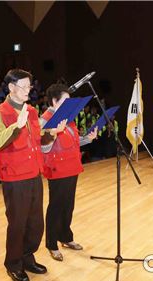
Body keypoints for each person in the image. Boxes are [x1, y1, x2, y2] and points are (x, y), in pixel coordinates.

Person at [0, 69, 59, 281]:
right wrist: (16, 126)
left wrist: (52, 133)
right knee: (18, 223)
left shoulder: (31, 110)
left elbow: (36, 139)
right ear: (11, 88)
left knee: (36, 223)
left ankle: (27, 256)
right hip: (14, 178)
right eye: (24, 86)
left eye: (30, 86)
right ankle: (13, 263)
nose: (29, 90)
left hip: (34, 173)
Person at [41, 82, 98, 261]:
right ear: (54, 101)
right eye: (66, 100)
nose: (70, 103)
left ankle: (65, 237)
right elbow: (43, 147)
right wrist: (54, 133)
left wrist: (88, 139)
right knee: (56, 208)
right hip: (57, 169)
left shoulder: (68, 118)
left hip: (72, 167)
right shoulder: (45, 119)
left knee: (68, 206)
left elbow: (73, 142)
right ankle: (51, 244)